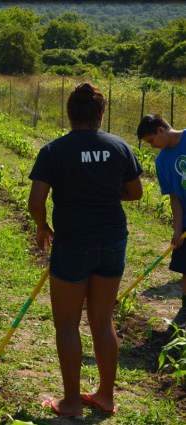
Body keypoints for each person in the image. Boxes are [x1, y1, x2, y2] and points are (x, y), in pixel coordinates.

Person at [28, 82, 143, 418]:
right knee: (102, 321)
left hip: (72, 244)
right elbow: (135, 193)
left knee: (66, 325)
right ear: (100, 114)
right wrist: (105, 192)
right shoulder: (119, 146)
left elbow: (36, 201)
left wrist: (42, 226)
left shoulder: (54, 150)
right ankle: (105, 396)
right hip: (112, 242)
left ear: (69, 114)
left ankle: (71, 402)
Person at [137, 114, 186, 328]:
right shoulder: (162, 161)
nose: (152, 146)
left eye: (150, 141)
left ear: (160, 130)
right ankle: (185, 310)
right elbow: (175, 197)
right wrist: (177, 229)